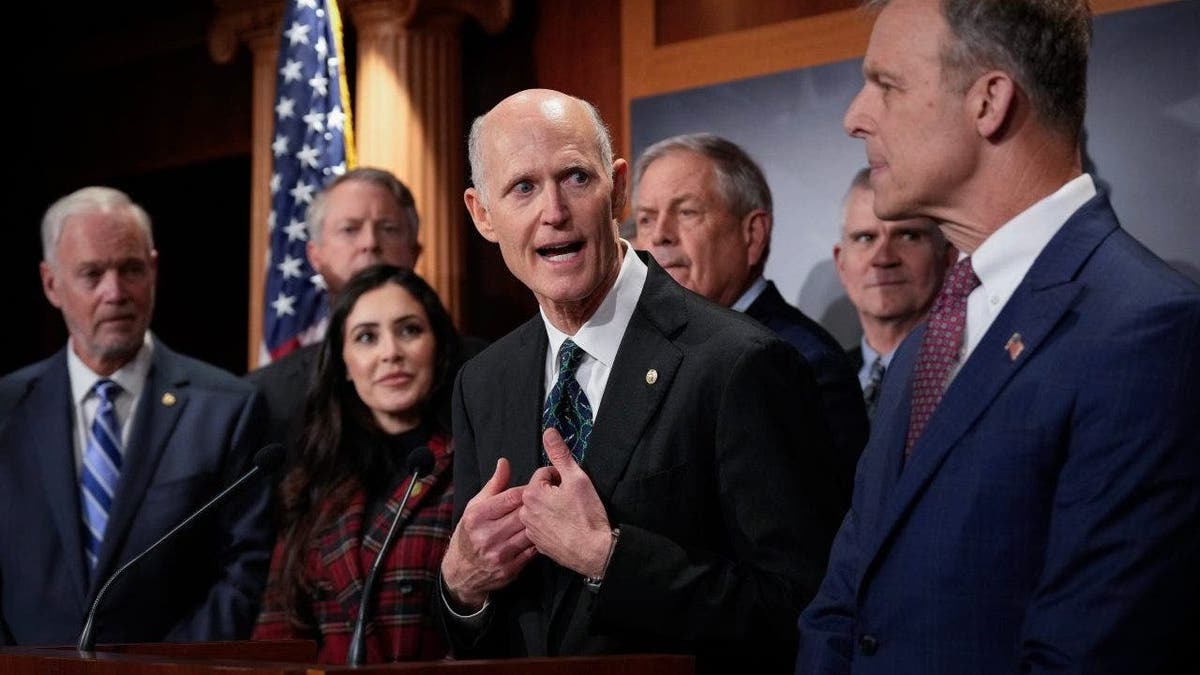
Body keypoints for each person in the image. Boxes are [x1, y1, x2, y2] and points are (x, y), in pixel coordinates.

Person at [797, 1, 1200, 673]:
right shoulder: (925, 344)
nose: (854, 116)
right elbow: (842, 606)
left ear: (989, 101)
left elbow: (1088, 654)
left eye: (886, 85)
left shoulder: (1147, 332)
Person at [438, 89, 846, 674]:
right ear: (482, 215)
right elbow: (486, 633)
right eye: (523, 187)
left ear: (618, 189)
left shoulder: (738, 363)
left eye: (576, 177)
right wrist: (462, 586)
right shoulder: (482, 382)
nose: (554, 210)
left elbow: (799, 607)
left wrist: (610, 559)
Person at [0, 186, 272, 645]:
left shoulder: (226, 408)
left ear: (155, 270)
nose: (115, 292)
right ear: (51, 284)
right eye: (92, 274)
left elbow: (244, 574)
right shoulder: (6, 409)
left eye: (131, 270)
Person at [253, 264, 462, 663]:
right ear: (345, 364)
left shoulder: (476, 466)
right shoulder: (315, 482)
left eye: (409, 330)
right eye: (367, 337)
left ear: (438, 347)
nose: (390, 353)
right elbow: (275, 637)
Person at [633, 133, 868, 485]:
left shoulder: (803, 362)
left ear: (753, 235)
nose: (660, 236)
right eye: (646, 219)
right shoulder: (642, 353)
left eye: (686, 212)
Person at [248, 168, 423, 458]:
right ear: (315, 256)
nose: (370, 243)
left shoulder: (474, 372)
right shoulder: (266, 395)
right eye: (350, 229)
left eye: (388, 228)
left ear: (414, 251)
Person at [834, 167, 955, 417]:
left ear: (948, 258)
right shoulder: (817, 378)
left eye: (908, 236)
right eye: (865, 238)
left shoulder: (972, 374)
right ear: (841, 264)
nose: (884, 258)